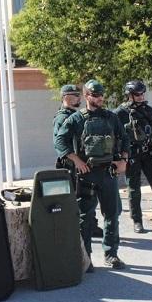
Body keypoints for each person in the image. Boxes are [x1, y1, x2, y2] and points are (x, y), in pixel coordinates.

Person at [55, 79, 129, 271]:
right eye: (95, 95)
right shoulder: (76, 119)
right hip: (86, 174)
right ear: (87, 96)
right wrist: (76, 161)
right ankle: (86, 258)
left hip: (108, 173)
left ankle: (111, 254)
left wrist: (123, 160)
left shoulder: (111, 118)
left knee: (112, 215)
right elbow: (60, 141)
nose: (100, 98)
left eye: (101, 95)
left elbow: (125, 138)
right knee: (85, 218)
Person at [115, 80, 152, 233]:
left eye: (142, 93)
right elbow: (115, 134)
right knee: (134, 189)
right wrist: (121, 155)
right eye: (137, 94)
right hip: (133, 155)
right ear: (129, 95)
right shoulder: (121, 113)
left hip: (149, 154)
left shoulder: (148, 110)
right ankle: (137, 221)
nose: (141, 96)